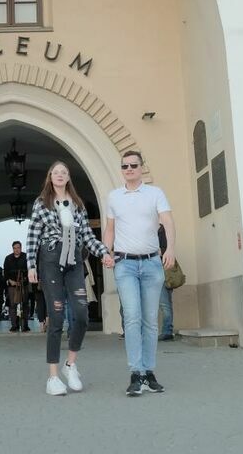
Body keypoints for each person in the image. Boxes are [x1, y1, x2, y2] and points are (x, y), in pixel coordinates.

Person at [26, 161, 114, 395]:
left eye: (64, 172)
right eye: (56, 172)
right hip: (51, 260)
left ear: (68, 177)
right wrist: (31, 265)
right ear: (50, 176)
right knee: (56, 317)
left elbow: (87, 236)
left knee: (82, 315)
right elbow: (33, 234)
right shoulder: (41, 203)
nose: (60, 175)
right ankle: (53, 377)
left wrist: (104, 252)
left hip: (74, 260)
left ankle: (70, 364)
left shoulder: (77, 204)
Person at [103, 150, 175, 397]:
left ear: (142, 167)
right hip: (125, 265)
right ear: (121, 169)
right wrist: (106, 251)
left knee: (150, 320)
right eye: (125, 166)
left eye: (134, 165)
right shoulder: (114, 197)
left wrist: (171, 249)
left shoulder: (155, 193)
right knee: (132, 317)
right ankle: (136, 373)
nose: (129, 169)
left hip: (152, 263)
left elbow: (167, 220)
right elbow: (110, 229)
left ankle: (149, 372)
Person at [3, 241, 30, 332]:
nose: (16, 249)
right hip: (12, 285)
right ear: (13, 248)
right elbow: (5, 273)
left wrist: (24, 280)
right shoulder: (8, 258)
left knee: (25, 304)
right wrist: (12, 282)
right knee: (13, 305)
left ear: (21, 248)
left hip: (24, 284)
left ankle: (25, 325)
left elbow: (30, 269)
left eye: (18, 247)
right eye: (15, 248)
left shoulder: (26, 257)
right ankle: (14, 325)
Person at [157, 226, 174, 340]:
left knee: (165, 303)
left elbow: (166, 250)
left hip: (163, 271)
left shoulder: (162, 231)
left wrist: (158, 251)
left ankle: (167, 331)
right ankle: (167, 330)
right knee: (165, 303)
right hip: (157, 271)